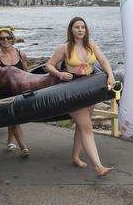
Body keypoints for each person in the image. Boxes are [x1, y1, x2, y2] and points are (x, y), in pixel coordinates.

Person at [45, 17, 115, 176]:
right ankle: (98, 166)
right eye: (77, 27)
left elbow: (103, 60)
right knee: (87, 127)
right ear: (71, 29)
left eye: (83, 27)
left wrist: (110, 75)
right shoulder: (64, 48)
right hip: (73, 88)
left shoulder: (91, 44)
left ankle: (76, 157)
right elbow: (49, 65)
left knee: (82, 125)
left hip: (90, 87)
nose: (80, 30)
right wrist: (60, 74)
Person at [0, 27, 30, 157]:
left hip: (20, 92)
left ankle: (10, 142)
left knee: (14, 119)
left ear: (12, 39)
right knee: (14, 118)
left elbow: (26, 74)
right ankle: (23, 148)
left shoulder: (21, 54)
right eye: (2, 38)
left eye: (8, 38)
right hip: (4, 93)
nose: (5, 40)